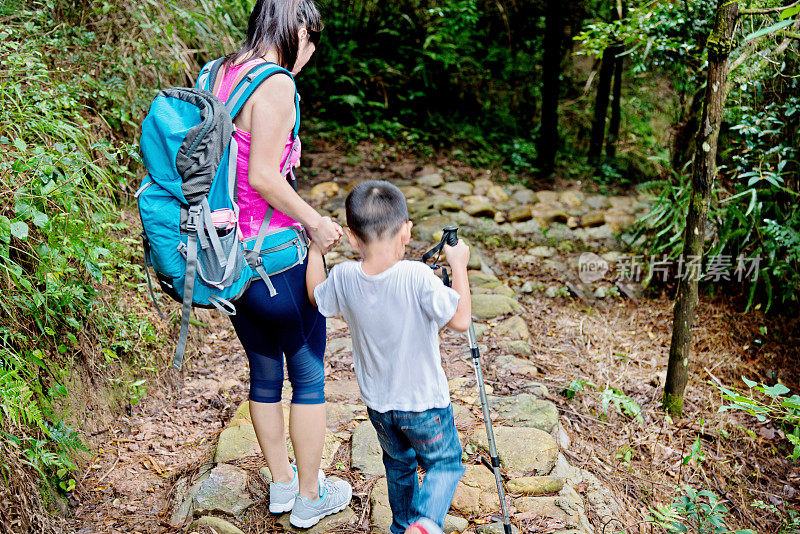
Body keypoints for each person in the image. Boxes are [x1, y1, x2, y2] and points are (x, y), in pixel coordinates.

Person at [212, 0, 351, 528]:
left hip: (226, 258)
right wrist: (315, 223)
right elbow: (266, 177)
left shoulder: (223, 71)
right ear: (296, 30)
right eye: (310, 43)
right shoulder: (275, 84)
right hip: (276, 260)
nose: (308, 56)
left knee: (264, 372)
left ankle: (282, 485)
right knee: (309, 373)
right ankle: (311, 496)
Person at [306, 180, 471, 534]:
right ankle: (425, 523)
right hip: (425, 402)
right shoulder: (417, 276)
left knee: (399, 467)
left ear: (352, 237)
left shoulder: (345, 277)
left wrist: (315, 250)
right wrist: (460, 266)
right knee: (445, 463)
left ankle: (402, 527)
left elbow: (316, 298)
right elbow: (460, 320)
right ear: (406, 232)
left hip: (380, 406)